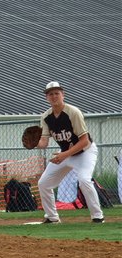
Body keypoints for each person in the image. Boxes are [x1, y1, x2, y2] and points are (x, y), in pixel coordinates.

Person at [36, 82, 104, 223]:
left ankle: (97, 217)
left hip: (85, 152)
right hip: (65, 153)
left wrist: (63, 155)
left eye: (57, 93)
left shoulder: (73, 112)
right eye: (50, 94)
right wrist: (34, 144)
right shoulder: (45, 117)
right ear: (46, 97)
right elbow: (44, 142)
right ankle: (52, 218)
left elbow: (84, 141)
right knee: (44, 183)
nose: (54, 96)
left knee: (84, 180)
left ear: (63, 95)